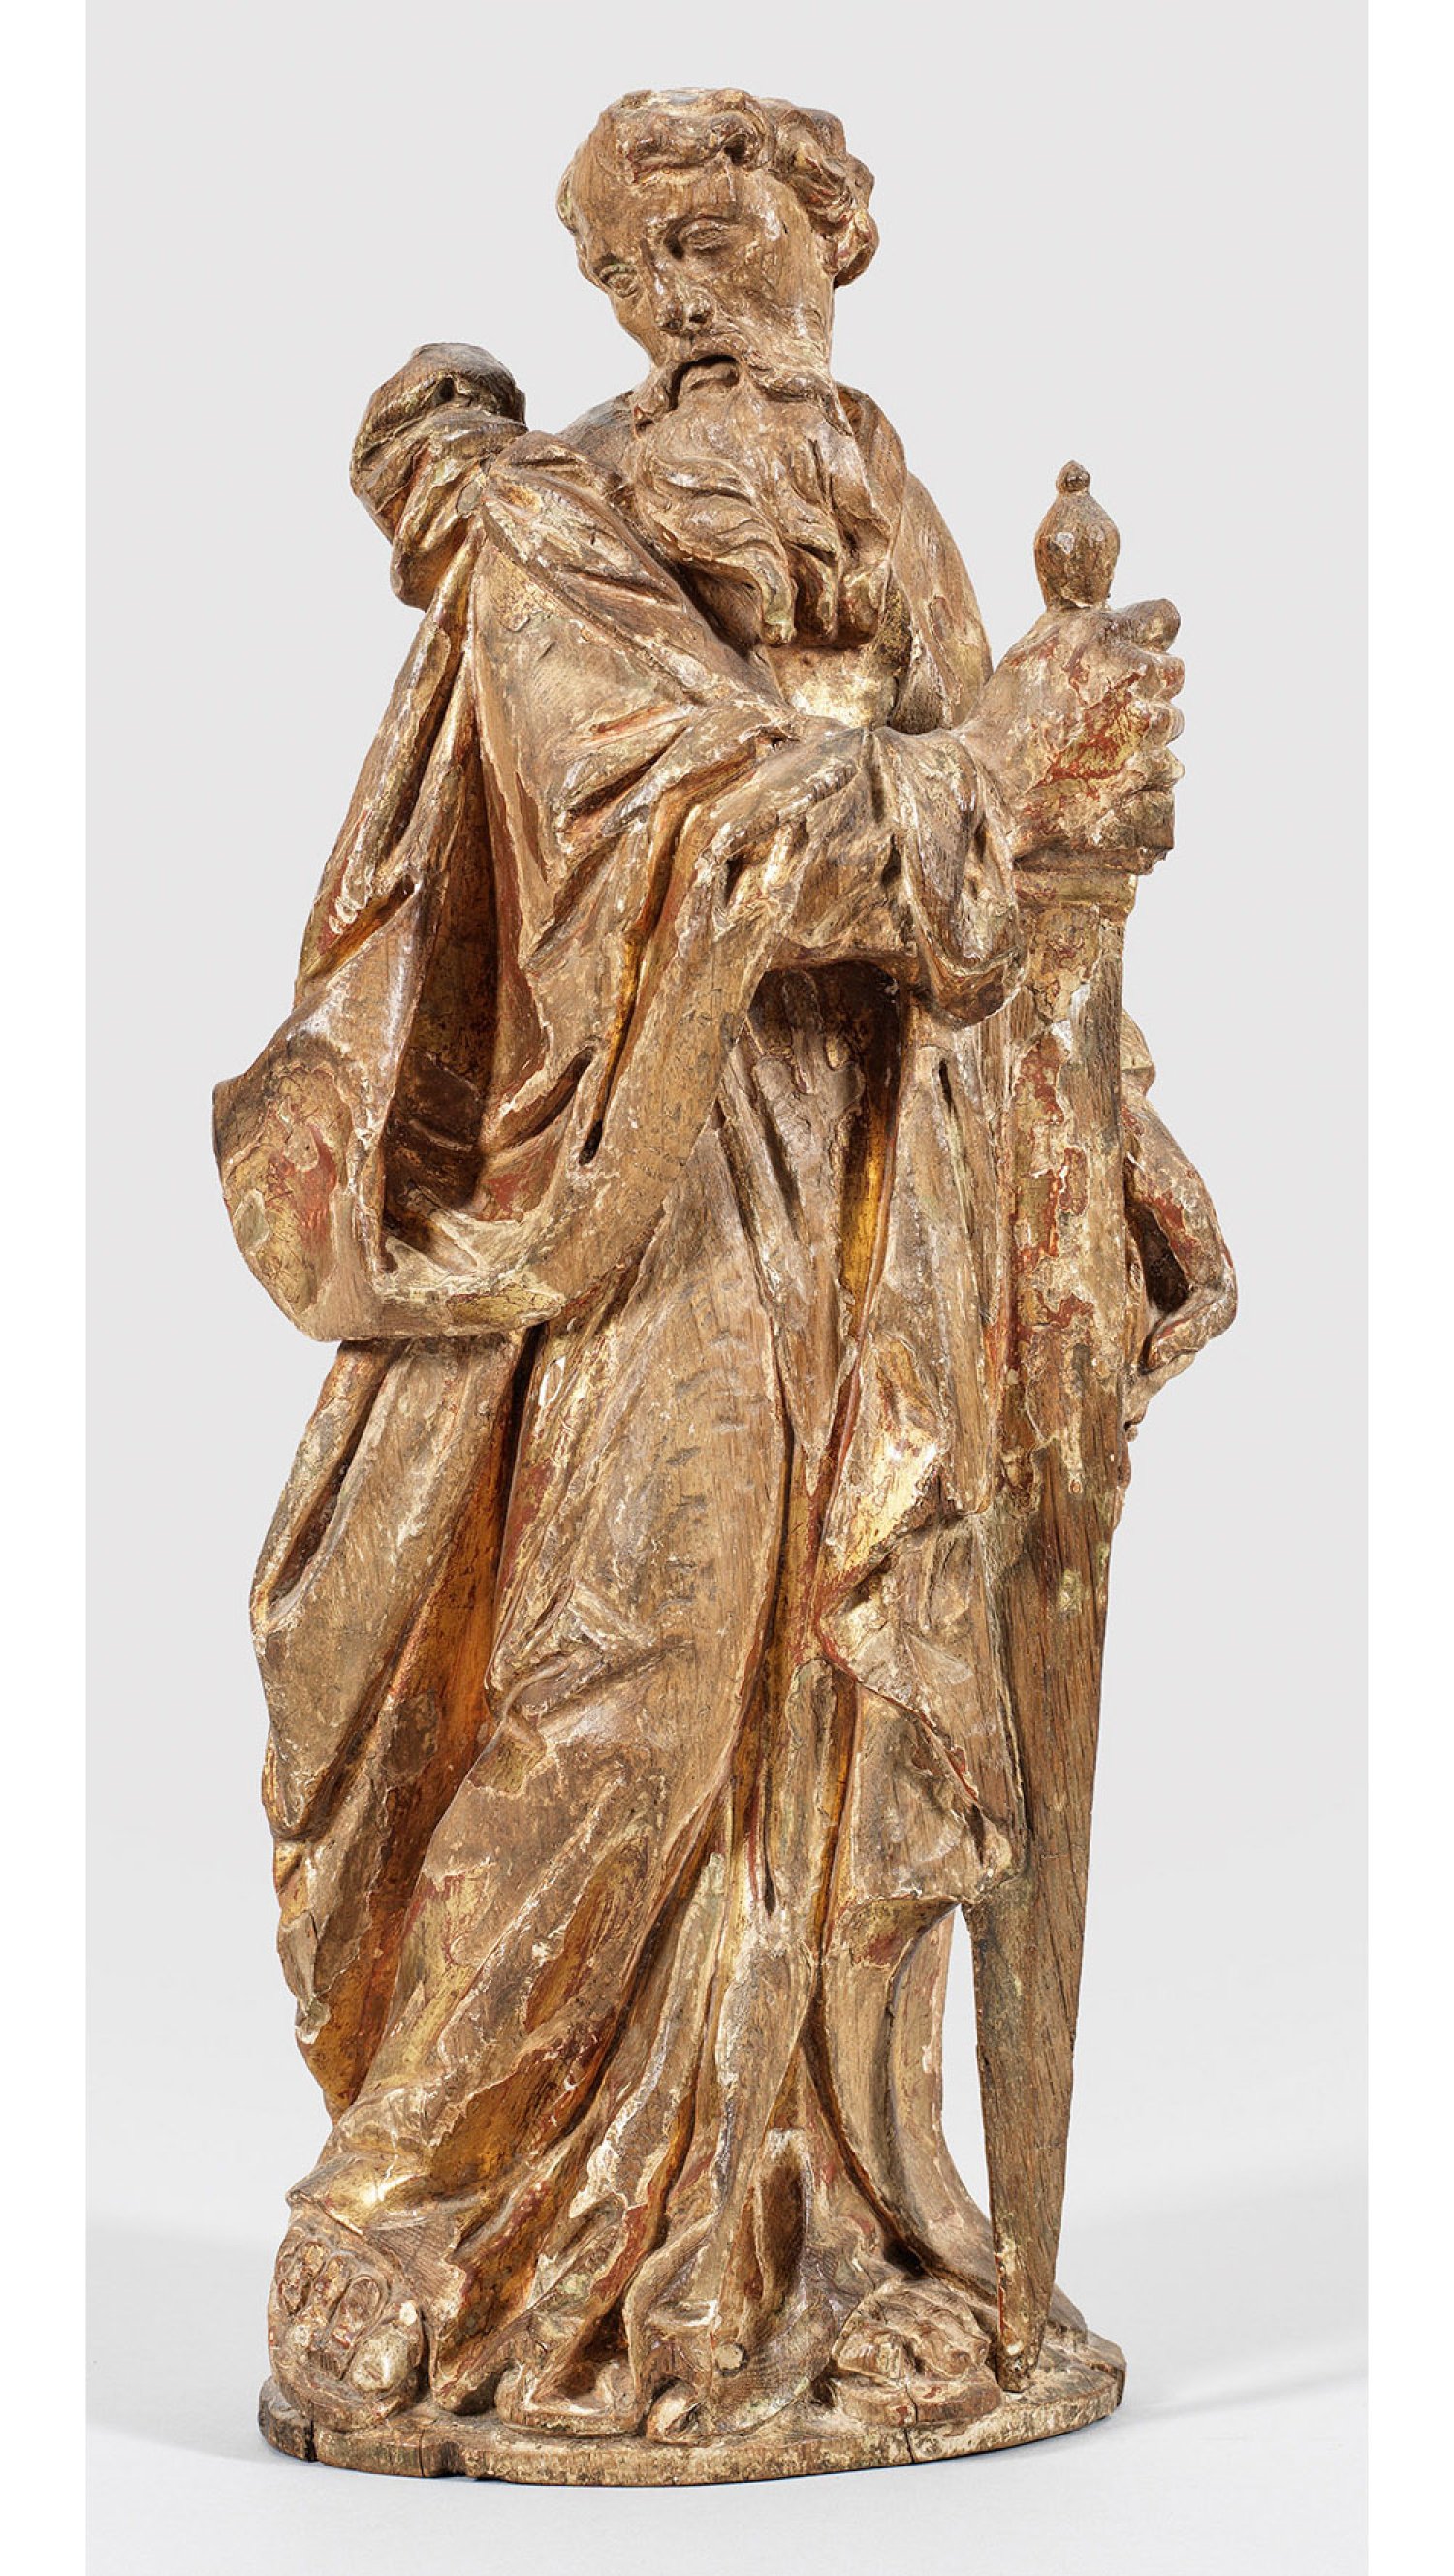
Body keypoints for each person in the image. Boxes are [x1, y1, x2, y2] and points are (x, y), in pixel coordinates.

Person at [216, 87, 1234, 2452]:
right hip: (643, 1191)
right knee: (635, 1672)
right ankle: (408, 2205)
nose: (682, 283)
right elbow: (669, 817)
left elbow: (1010, 878)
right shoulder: (556, 529)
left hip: (886, 1182)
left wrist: (1111, 1104)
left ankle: (818, 2226)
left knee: (851, 1711)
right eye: (636, 251)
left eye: (726, 226)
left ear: (832, 239)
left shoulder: (885, 493)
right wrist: (998, 778)